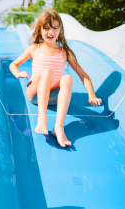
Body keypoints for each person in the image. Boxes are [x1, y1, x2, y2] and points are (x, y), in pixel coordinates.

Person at [9, 10, 102, 147]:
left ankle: (58, 127)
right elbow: (13, 64)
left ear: (60, 30)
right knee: (47, 72)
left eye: (54, 27)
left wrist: (92, 95)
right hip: (34, 95)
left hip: (52, 98)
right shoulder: (35, 48)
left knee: (68, 77)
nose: (50, 31)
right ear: (40, 30)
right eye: (46, 28)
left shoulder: (65, 52)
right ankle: (42, 117)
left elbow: (83, 75)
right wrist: (18, 73)